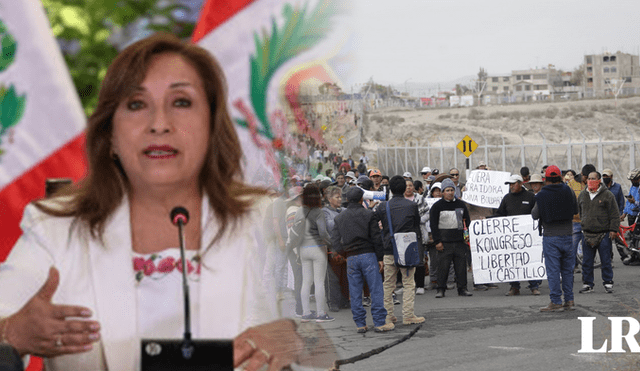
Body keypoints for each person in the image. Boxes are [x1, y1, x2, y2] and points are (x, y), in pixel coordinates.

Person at [0, 34, 336, 370]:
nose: (159, 125)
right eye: (135, 104)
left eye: (181, 102)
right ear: (111, 135)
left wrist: (295, 336)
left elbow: (327, 345)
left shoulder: (265, 217)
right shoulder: (56, 228)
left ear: (210, 125)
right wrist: (13, 332)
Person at [331, 187, 394, 333]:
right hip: (369, 255)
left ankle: (360, 324)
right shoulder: (368, 214)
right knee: (376, 289)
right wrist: (380, 257)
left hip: (351, 256)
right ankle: (379, 322)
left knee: (355, 291)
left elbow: (334, 241)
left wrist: (344, 252)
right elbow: (376, 238)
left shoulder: (339, 217)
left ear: (347, 199)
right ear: (362, 199)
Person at [374, 176, 426, 326]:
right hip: (407, 249)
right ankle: (408, 315)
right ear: (405, 189)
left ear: (389, 188)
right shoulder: (411, 205)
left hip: (389, 249)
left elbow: (376, 224)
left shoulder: (383, 206)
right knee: (409, 283)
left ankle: (388, 316)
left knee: (388, 284)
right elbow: (416, 226)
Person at [532, 165, 578, 312]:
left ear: (546, 179)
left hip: (551, 236)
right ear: (559, 177)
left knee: (553, 271)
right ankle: (569, 300)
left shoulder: (542, 194)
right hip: (567, 235)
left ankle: (556, 301)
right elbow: (576, 210)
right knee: (567, 270)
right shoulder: (568, 190)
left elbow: (534, 214)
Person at [294, 184, 334, 323]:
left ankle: (305, 313)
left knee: (306, 281)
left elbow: (295, 230)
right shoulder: (318, 212)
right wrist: (331, 243)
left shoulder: (299, 211)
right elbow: (323, 233)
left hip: (303, 250)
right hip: (318, 249)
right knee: (319, 282)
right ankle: (321, 314)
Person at [495, 175, 540, 296]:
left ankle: (534, 286)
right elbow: (500, 214)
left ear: (520, 183)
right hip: (511, 238)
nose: (510, 186)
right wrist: (487, 220)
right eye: (509, 184)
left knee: (530, 260)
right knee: (512, 262)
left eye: (512, 184)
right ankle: (514, 287)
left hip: (528, 237)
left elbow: (537, 213)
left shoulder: (530, 197)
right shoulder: (507, 198)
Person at [430, 178, 473, 298]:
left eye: (452, 190)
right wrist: (437, 241)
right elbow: (433, 225)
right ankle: (441, 289)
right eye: (447, 190)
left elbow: (466, 222)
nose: (450, 192)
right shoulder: (437, 206)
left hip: (459, 242)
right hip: (444, 243)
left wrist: (466, 236)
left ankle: (462, 289)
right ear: (443, 192)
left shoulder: (460, 204)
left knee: (461, 267)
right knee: (443, 267)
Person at [577, 171, 619, 294]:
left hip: (604, 234)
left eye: (593, 178)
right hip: (587, 233)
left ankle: (608, 282)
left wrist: (613, 229)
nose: (590, 180)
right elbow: (580, 211)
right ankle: (588, 284)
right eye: (589, 178)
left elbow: (614, 214)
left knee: (605, 260)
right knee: (587, 262)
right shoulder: (582, 195)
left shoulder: (608, 195)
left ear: (599, 180)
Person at [323, 186, 349, 312]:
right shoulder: (324, 212)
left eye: (340, 197)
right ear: (329, 199)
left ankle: (345, 300)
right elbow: (329, 225)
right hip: (331, 248)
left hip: (344, 247)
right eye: (337, 197)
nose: (340, 199)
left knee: (345, 275)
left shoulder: (344, 210)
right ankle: (333, 302)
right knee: (332, 277)